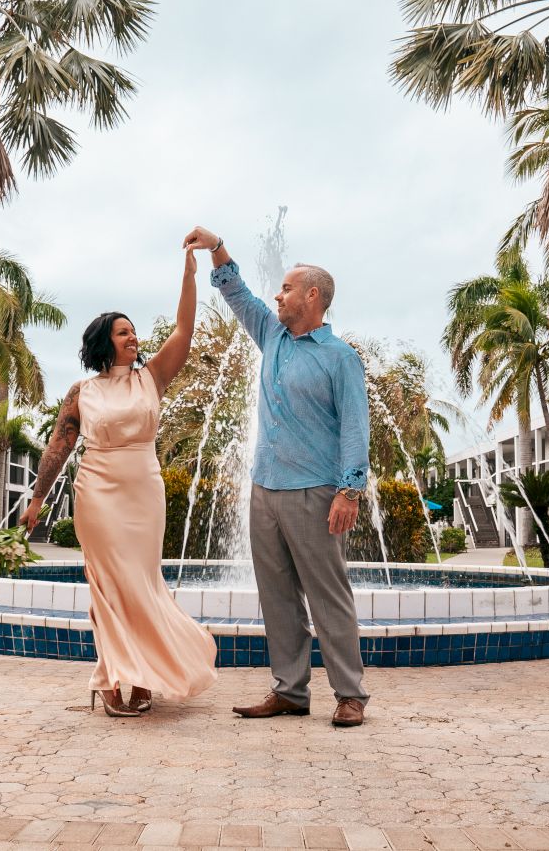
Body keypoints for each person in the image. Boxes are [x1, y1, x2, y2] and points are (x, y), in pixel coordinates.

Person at [182, 225, 371, 728]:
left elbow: (355, 428)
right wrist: (217, 246)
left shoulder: (340, 358)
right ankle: (289, 691)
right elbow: (237, 294)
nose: (277, 295)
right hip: (264, 489)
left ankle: (350, 694)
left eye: (286, 289)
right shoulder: (272, 335)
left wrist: (350, 489)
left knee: (328, 596)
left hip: (316, 491)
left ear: (312, 296)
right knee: (277, 597)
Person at [24, 249, 217, 718]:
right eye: (124, 332)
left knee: (142, 583)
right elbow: (59, 446)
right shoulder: (82, 393)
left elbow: (184, 332)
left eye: (133, 331)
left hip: (143, 490)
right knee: (108, 587)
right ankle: (113, 674)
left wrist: (189, 276)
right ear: (104, 342)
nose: (134, 337)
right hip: (97, 491)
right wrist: (37, 499)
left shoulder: (152, 378)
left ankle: (145, 671)